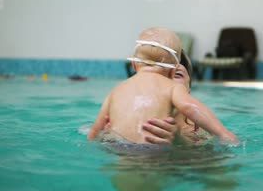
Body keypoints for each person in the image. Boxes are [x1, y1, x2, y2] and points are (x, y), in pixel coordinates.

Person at [87, 27, 237, 145]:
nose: (163, 82)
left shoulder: (197, 128)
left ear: (189, 88)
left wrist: (179, 141)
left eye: (178, 75)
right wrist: (107, 137)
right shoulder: (123, 104)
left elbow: (211, 164)